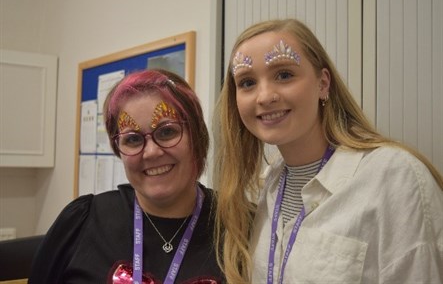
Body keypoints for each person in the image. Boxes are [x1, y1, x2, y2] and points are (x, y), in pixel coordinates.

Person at [213, 18, 443, 284]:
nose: (264, 96)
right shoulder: (271, 183)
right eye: (247, 83)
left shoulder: (395, 177)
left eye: (284, 75)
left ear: (323, 83)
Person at [29, 69, 224, 284]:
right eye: (132, 139)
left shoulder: (239, 225)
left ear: (196, 136)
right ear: (118, 149)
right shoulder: (81, 222)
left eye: (167, 132)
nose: (151, 152)